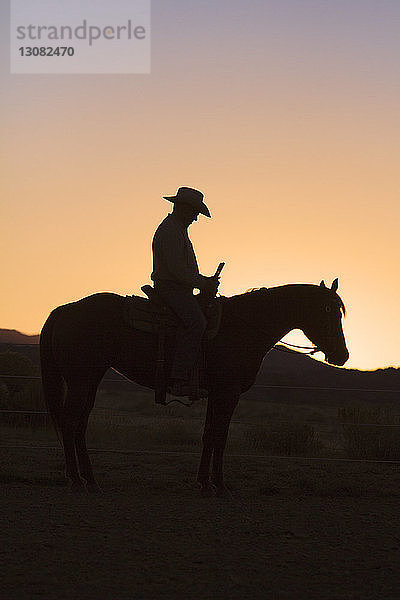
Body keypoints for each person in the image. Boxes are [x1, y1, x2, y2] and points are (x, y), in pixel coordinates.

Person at [151, 187, 219, 397]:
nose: (196, 218)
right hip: (171, 289)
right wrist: (203, 283)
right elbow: (176, 269)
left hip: (179, 288)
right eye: (194, 212)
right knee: (196, 323)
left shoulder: (176, 229)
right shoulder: (171, 231)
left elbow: (182, 269)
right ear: (182, 208)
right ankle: (179, 379)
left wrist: (203, 282)